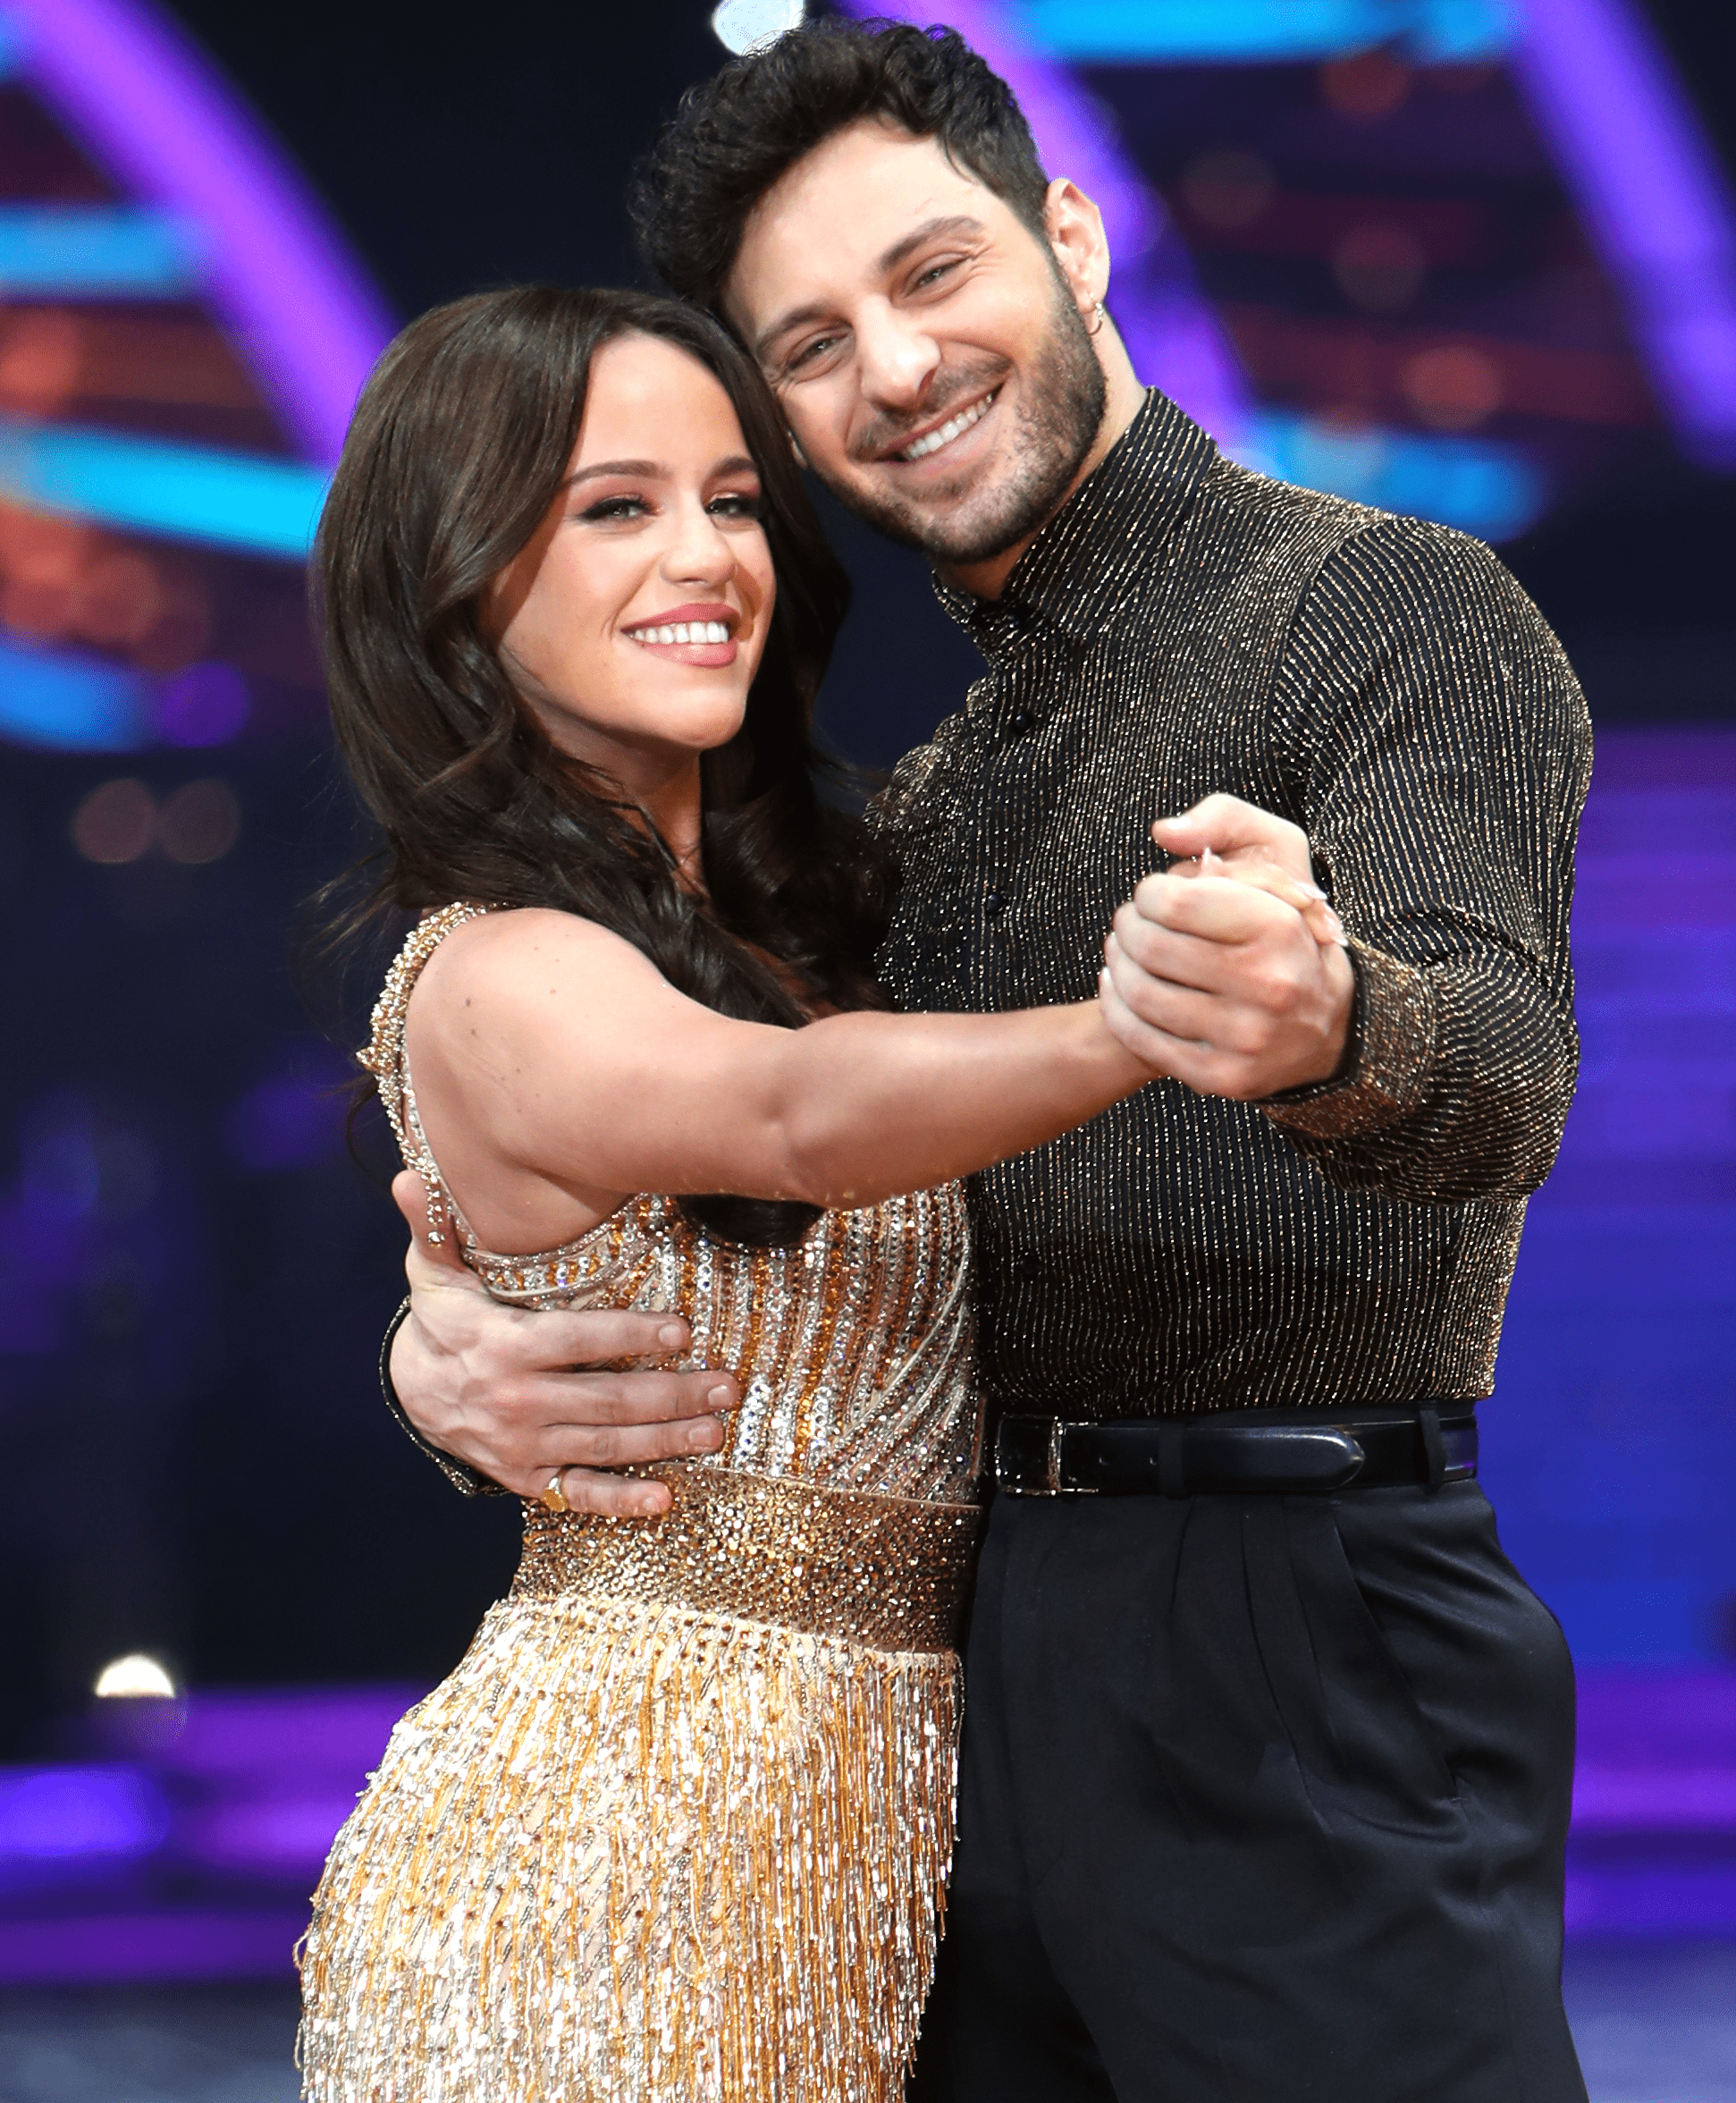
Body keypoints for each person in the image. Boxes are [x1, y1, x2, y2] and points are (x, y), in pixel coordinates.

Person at [381, 23, 1595, 2103]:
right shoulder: (924, 806)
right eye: (811, 345)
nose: (895, 365)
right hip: (944, 1683)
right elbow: (723, 1154)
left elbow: (1499, 1072)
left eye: (931, 273)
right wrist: (443, 1346)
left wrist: (1331, 1021)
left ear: (1071, 237)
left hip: (1291, 1627)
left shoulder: (1386, 611)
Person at [293, 282, 1333, 2102]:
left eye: (730, 499)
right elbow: (787, 1120)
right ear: (454, 580)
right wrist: (1139, 1023)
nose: (706, 556)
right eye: (614, 506)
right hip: (599, 1879)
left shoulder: (824, 923)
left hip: (888, 1849)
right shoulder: (496, 969)